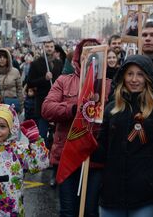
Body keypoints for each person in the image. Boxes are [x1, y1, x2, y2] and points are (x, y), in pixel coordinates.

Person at [98, 55, 153, 216]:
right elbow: (101, 152)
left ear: (147, 77)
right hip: (112, 194)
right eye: (130, 74)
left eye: (140, 74)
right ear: (123, 76)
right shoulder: (111, 109)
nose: (134, 79)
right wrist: (86, 140)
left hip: (146, 196)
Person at [42, 39, 108, 217]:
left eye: (94, 51)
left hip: (94, 157)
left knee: (89, 211)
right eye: (86, 51)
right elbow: (47, 108)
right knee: (68, 211)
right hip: (67, 154)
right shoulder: (64, 81)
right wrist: (73, 108)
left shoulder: (107, 85)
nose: (90, 56)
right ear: (79, 56)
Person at [0, 104, 49, 216]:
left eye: (2, 126)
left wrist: (35, 140)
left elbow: (40, 164)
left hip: (11, 210)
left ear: (11, 127)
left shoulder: (18, 150)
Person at [26, 40, 63, 140]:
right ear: (43, 48)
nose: (49, 49)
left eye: (51, 46)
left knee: (56, 135)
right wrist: (44, 78)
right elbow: (29, 82)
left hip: (56, 102)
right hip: (42, 102)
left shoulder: (59, 63)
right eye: (47, 46)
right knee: (42, 134)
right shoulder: (36, 63)